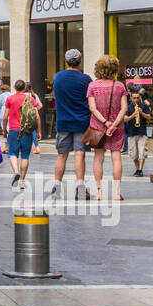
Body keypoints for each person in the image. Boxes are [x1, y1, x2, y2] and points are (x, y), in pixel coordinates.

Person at [86, 55, 128, 202]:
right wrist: (114, 124)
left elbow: (92, 108)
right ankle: (116, 192)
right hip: (117, 127)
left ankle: (99, 192)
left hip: (98, 127)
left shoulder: (92, 86)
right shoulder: (120, 86)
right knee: (116, 158)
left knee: (98, 158)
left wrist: (105, 123)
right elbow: (124, 109)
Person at [52, 50, 93, 200]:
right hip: (82, 122)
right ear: (80, 61)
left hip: (63, 121)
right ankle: (80, 187)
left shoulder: (58, 77)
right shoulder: (85, 79)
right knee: (79, 154)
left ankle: (56, 186)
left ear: (66, 61)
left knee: (62, 155)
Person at [3, 79, 33, 188]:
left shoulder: (10, 99)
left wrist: (4, 130)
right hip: (27, 130)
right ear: (24, 88)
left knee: (12, 153)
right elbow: (36, 116)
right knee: (25, 155)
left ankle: (16, 172)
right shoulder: (29, 99)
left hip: (13, 129)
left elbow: (5, 116)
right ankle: (21, 181)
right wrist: (38, 131)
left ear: (15, 88)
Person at [125, 89, 150, 177]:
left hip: (142, 132)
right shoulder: (128, 107)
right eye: (134, 98)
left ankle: (139, 170)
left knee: (142, 152)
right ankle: (138, 169)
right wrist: (133, 115)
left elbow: (149, 117)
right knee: (134, 154)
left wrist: (141, 112)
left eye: (137, 98)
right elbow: (125, 119)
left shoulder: (144, 106)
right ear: (131, 98)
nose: (136, 100)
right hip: (131, 132)